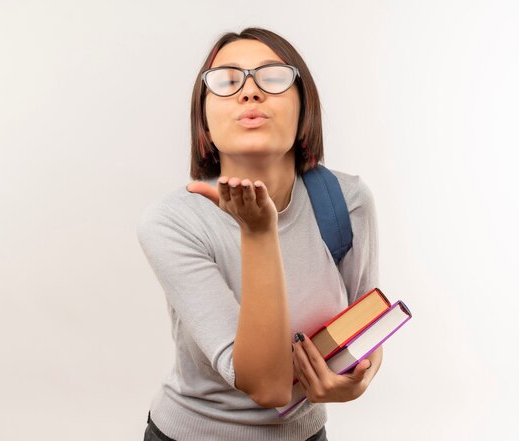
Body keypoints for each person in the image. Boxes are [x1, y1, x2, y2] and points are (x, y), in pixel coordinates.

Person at [137, 27, 382, 441]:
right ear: (205, 122)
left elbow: (367, 323)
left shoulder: (347, 200)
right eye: (228, 82)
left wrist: (360, 377)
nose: (250, 93)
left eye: (272, 77)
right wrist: (259, 231)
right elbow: (265, 387)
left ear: (304, 107)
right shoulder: (172, 221)